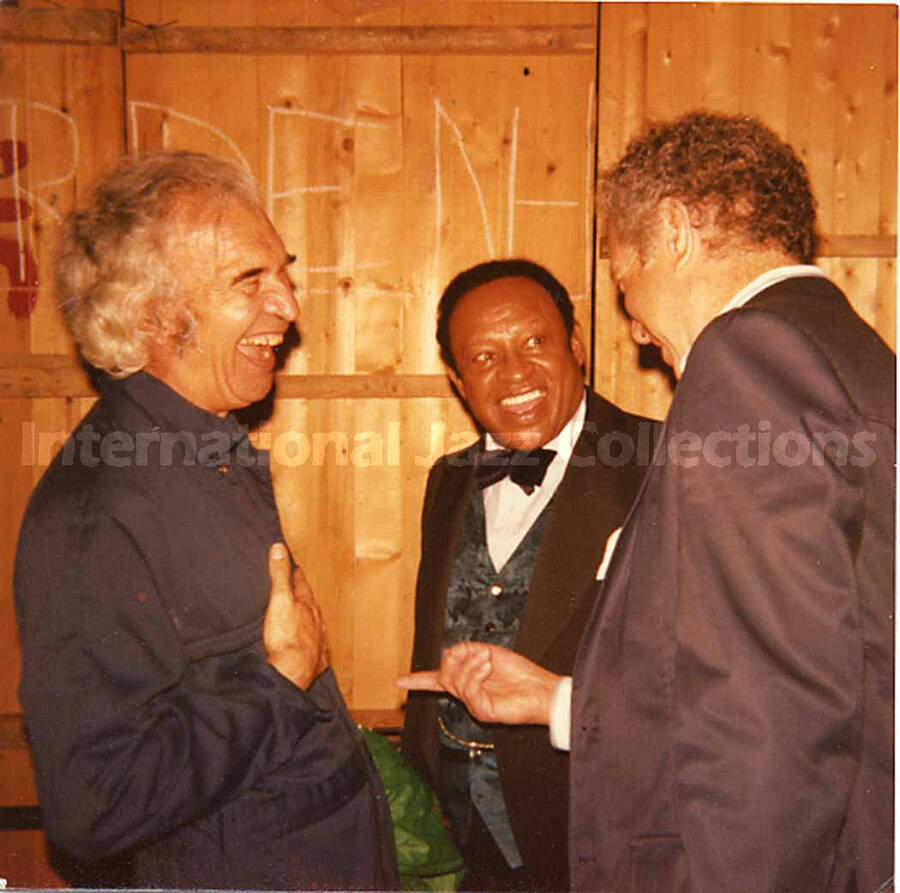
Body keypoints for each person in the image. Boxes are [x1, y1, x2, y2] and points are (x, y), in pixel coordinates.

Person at [397, 112, 895, 893]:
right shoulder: (846, 348)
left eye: (625, 277)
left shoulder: (749, 357)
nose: (633, 323)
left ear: (671, 230)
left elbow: (765, 724)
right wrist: (559, 699)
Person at [14, 151, 398, 890]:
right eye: (250, 280)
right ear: (151, 314)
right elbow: (94, 804)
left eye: (282, 272)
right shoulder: (96, 511)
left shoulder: (204, 450)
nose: (288, 305)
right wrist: (277, 680)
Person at [401, 259, 651, 891]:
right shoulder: (448, 478)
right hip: (456, 843)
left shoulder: (664, 464)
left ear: (577, 346)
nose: (513, 373)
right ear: (458, 380)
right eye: (483, 357)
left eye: (534, 342)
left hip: (592, 841)